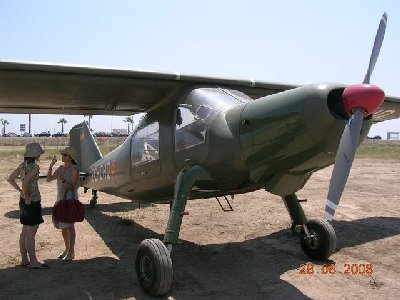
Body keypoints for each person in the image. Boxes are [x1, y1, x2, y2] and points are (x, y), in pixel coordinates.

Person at [7, 142, 48, 269]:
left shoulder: (22, 165)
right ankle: (33, 262)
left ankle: (24, 259)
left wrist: (21, 193)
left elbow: (10, 179)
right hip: (32, 201)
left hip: (23, 200)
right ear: (36, 156)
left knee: (25, 231)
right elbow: (25, 182)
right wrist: (28, 196)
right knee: (31, 233)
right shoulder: (35, 167)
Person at [47, 146, 79, 261]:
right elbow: (49, 179)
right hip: (60, 200)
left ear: (69, 157)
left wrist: (63, 178)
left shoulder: (74, 169)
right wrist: (51, 166)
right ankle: (66, 249)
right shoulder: (60, 168)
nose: (62, 156)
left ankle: (71, 251)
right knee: (63, 227)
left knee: (70, 226)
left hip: (69, 201)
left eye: (64, 154)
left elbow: (71, 186)